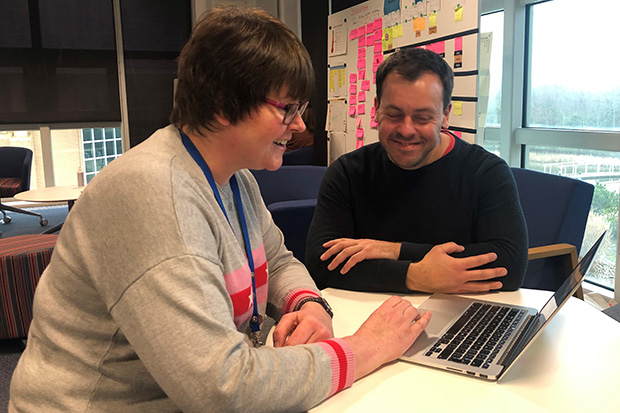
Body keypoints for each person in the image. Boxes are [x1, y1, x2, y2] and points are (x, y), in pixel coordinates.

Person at [9, 7, 431, 412]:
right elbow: (222, 386)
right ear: (223, 103)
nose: (300, 125)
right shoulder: (151, 194)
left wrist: (309, 306)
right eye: (287, 108)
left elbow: (280, 259)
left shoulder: (234, 178)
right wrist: (366, 347)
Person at [306, 47, 528, 294]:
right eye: (394, 114)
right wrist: (414, 275)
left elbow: (510, 265)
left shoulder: (486, 172)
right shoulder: (348, 173)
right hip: (366, 318)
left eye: (423, 118)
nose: (407, 129)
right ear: (377, 108)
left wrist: (394, 250)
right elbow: (321, 263)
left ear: (445, 115)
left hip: (455, 315)